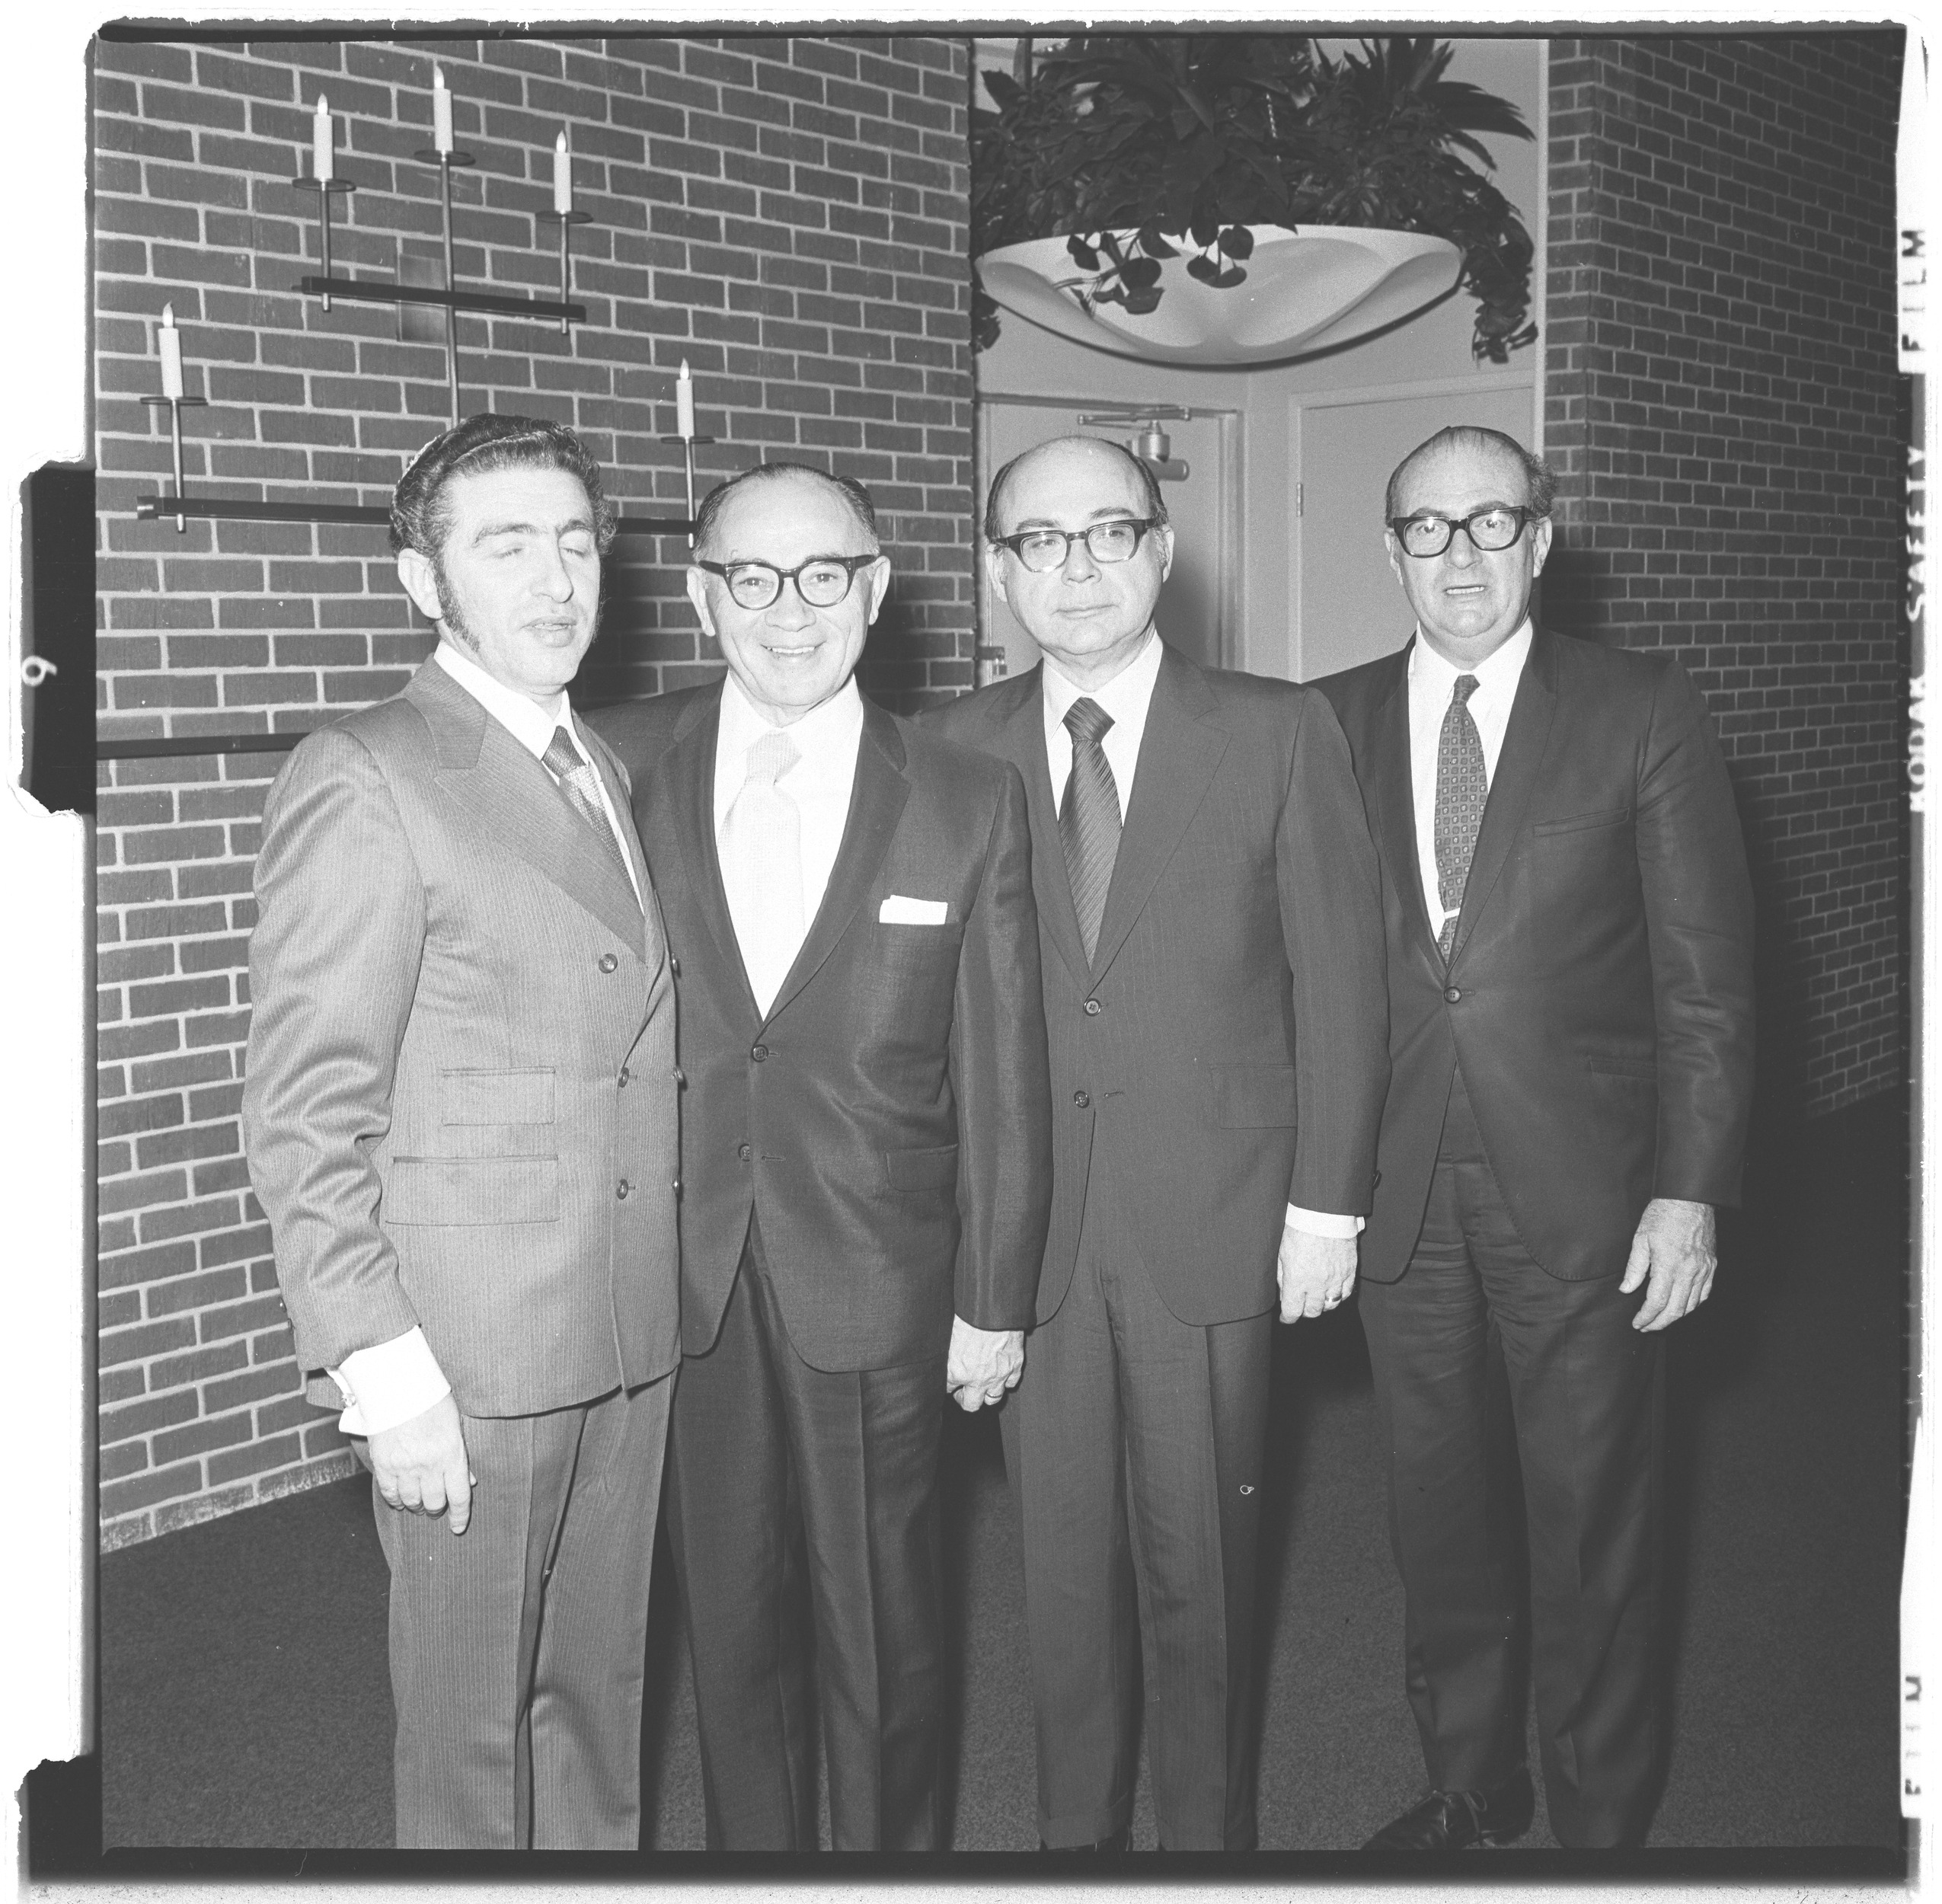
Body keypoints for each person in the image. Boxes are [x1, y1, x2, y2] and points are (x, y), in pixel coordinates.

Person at [925, 435, 1391, 1851]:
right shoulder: (945, 750)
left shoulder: (1274, 729)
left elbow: (1342, 979)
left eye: (1106, 533)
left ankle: (1208, 1855)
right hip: (1027, 1236)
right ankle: (1076, 1854)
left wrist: (1328, 1204)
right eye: (1039, 542)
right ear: (998, 570)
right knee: (1059, 1578)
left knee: (1205, 1569)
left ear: (1162, 552)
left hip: (1217, 1214)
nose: (1076, 567)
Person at [591, 462, 1052, 1851]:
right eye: (750, 576)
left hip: (880, 1275)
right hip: (686, 1278)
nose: (788, 610)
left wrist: (996, 1292)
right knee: (726, 1627)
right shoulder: (613, 763)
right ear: (699, 593)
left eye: (822, 575)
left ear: (877, 586)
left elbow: (1006, 1071)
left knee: (885, 1630)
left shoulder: (966, 797)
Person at [241, 413, 679, 1850]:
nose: (556, 580)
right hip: (471, 1356)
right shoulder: (366, 769)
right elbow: (307, 1113)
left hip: (624, 1332)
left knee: (593, 1703)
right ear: (424, 586)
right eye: (506, 547)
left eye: (574, 542)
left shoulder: (596, 761)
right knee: (469, 1740)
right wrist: (384, 1373)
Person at [1315, 424, 1756, 1850]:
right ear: (1389, 551)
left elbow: (1706, 979)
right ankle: (1468, 1782)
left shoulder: (1638, 708)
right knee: (1434, 1518)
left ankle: (1598, 1818)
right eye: (1427, 529)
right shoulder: (1323, 722)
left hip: (1581, 1193)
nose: (1460, 555)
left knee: (1591, 1524)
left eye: (1490, 523)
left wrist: (1688, 1195)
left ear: (1541, 539)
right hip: (1394, 1193)